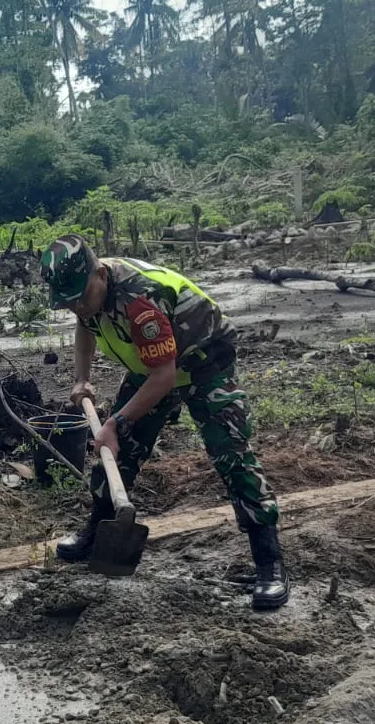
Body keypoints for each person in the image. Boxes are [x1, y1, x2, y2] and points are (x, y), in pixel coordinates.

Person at [40, 233, 290, 610]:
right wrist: (81, 378)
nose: (77, 306)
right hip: (154, 365)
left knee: (231, 454)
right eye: (69, 301)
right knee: (118, 453)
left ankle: (269, 561)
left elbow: (165, 378)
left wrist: (115, 423)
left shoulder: (141, 300)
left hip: (205, 362)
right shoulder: (88, 295)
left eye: (80, 297)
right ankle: (97, 530)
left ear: (101, 275)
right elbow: (85, 324)